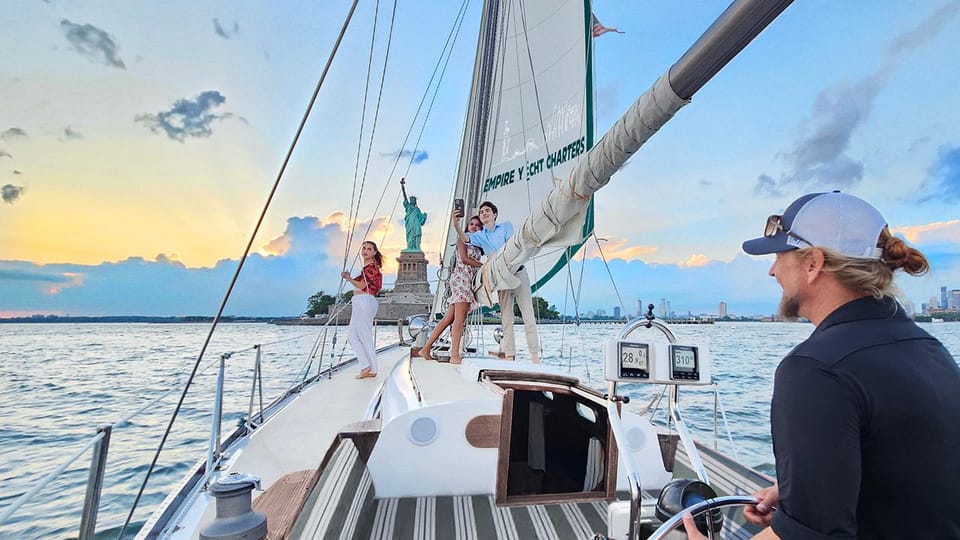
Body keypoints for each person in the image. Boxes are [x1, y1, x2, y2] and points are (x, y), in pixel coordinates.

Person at [683, 191, 960, 539]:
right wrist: (801, 489)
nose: (772, 271)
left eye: (779, 256)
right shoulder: (930, 351)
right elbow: (909, 476)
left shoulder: (815, 369)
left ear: (813, 263)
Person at [453, 201, 540, 363]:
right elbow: (465, 238)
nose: (484, 213)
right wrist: (456, 224)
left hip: (519, 273)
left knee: (528, 314)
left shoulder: (506, 227)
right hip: (501, 278)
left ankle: (534, 356)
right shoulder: (480, 235)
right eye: (481, 212)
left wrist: (495, 256)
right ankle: (509, 355)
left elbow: (510, 246)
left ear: (495, 214)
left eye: (487, 210)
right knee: (506, 318)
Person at [419, 214, 484, 364]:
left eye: (477, 225)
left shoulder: (479, 244)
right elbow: (465, 258)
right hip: (461, 279)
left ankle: (426, 348)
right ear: (467, 227)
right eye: (472, 224)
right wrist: (483, 266)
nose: (474, 226)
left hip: (468, 280)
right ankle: (454, 354)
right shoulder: (463, 239)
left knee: (449, 319)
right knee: (459, 320)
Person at [341, 241, 384, 379]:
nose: (365, 251)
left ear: (374, 252)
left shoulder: (370, 267)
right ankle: (366, 366)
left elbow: (362, 285)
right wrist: (350, 278)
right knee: (353, 337)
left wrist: (348, 279)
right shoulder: (366, 268)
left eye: (369, 249)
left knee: (364, 336)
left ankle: (371, 369)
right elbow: (361, 283)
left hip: (364, 301)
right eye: (364, 248)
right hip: (361, 302)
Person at [400, 177, 427, 252]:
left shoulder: (417, 210)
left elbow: (421, 221)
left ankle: (416, 247)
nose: (412, 200)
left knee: (417, 235)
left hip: (416, 224)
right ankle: (410, 247)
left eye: (414, 200)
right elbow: (404, 197)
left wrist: (424, 216)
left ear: (415, 201)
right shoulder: (408, 206)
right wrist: (402, 186)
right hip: (410, 223)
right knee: (410, 235)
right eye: (411, 199)